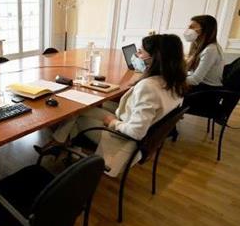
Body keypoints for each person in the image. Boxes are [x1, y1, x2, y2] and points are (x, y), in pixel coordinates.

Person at [46, 34, 187, 177]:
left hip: (122, 138)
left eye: (140, 52)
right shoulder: (176, 81)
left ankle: (64, 150)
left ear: (154, 58)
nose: (136, 55)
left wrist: (113, 123)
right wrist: (139, 81)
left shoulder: (148, 87)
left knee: (74, 115)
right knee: (81, 108)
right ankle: (63, 147)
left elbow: (136, 132)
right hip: (132, 126)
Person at [184, 15, 224, 89]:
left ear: (205, 30)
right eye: (188, 27)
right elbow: (188, 69)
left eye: (192, 27)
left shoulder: (211, 50)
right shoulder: (199, 47)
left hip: (206, 91)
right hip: (201, 87)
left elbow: (195, 80)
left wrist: (171, 80)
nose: (187, 30)